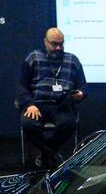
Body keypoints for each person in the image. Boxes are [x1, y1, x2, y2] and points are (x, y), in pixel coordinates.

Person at [17, 27, 86, 168]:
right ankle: (51, 155)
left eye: (61, 44)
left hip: (62, 105)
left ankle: (45, 154)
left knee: (68, 124)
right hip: (37, 105)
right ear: (45, 42)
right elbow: (21, 86)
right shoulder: (33, 57)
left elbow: (84, 86)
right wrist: (29, 104)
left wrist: (81, 93)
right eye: (54, 44)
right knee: (28, 124)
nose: (58, 47)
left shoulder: (73, 60)